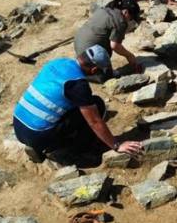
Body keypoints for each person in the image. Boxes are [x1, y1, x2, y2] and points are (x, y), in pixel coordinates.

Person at [13, 45, 143, 165]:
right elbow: (94, 121)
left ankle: (42, 146)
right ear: (94, 69)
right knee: (97, 105)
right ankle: (77, 151)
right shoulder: (77, 85)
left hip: (19, 125)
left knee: (79, 106)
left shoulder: (58, 62)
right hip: (37, 135)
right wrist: (116, 145)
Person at [74, 0, 144, 76]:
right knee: (108, 76)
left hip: (79, 45)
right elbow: (115, 46)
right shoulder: (120, 21)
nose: (130, 20)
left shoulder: (106, 9)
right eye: (131, 18)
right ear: (125, 12)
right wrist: (129, 55)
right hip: (90, 52)